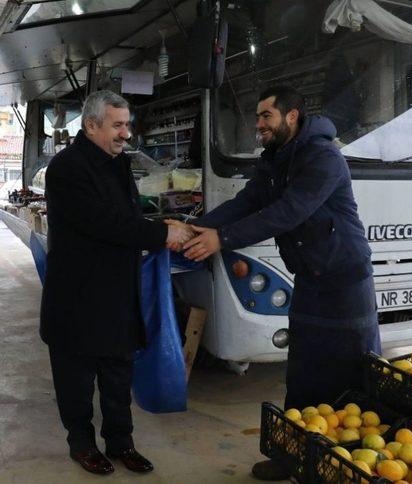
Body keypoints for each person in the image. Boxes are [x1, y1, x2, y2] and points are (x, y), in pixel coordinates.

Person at [180, 85, 381, 480]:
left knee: (351, 375)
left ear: (292, 116)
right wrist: (197, 227)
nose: (259, 125)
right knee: (303, 372)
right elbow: (248, 202)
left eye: (266, 116)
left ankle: (349, 464)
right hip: (309, 277)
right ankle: (293, 455)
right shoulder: (276, 158)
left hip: (345, 282)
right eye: (257, 117)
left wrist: (222, 239)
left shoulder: (322, 157)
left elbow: (288, 212)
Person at [41, 90, 193, 475]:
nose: (126, 134)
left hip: (117, 294)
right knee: (76, 381)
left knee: (117, 375)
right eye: (118, 125)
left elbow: (126, 212)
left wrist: (163, 221)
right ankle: (82, 443)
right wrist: (161, 234)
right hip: (77, 296)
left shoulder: (118, 163)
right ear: (91, 125)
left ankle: (121, 442)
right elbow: (104, 223)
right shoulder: (67, 168)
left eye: (128, 124)